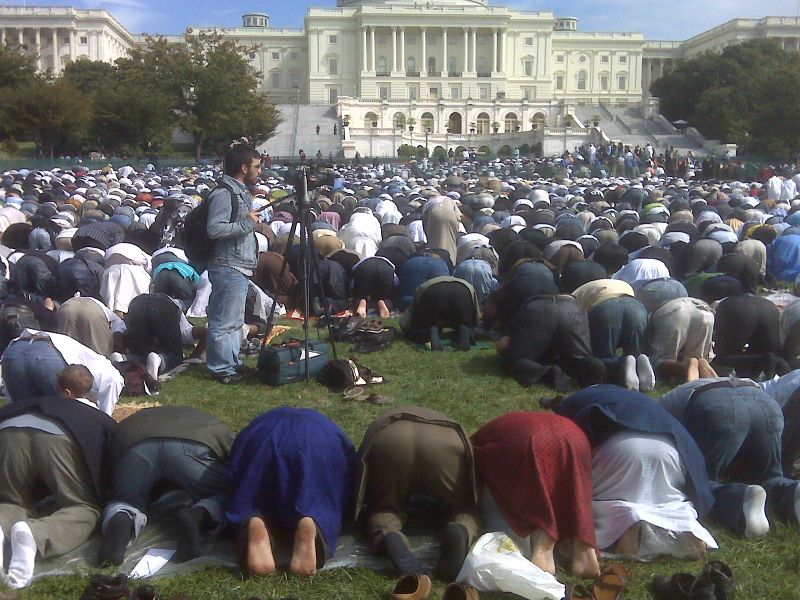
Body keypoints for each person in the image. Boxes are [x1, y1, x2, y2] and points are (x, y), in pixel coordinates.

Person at [0, 366, 116, 588]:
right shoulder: (97, 416)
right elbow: (111, 456)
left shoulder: (36, 400)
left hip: (9, 429)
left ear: (60, 387)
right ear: (90, 391)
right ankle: (35, 535)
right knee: (82, 507)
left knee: (10, 500)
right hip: (59, 437)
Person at [658, 378, 800, 538]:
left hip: (717, 408)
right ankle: (791, 492)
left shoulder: (660, 405)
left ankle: (740, 499)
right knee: (769, 475)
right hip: (765, 404)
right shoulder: (686, 390)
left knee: (698, 483)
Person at [227, 408, 356, 577]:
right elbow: (347, 475)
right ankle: (314, 522)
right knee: (323, 503)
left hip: (259, 440)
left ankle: (253, 520)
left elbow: (234, 470)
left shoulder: (259, 423)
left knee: (249, 498)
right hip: (317, 443)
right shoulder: (329, 427)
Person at [354, 406, 479, 581]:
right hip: (444, 439)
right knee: (462, 507)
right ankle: (461, 529)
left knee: (384, 509)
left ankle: (389, 535)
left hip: (390, 437)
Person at [99, 406, 233, 566]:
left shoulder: (136, 419)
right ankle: (199, 514)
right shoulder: (208, 420)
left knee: (126, 499)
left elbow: (113, 455)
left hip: (136, 445)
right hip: (192, 445)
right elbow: (230, 453)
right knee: (227, 493)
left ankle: (121, 516)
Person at [472, 412, 600, 578]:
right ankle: (584, 551)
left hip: (520, 439)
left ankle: (542, 547)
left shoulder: (478, 438)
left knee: (534, 488)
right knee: (573, 485)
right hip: (575, 436)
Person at [205, 144, 261, 384]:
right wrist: (247, 224)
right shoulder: (224, 193)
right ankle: (222, 369)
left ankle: (232, 363)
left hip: (238, 264)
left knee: (235, 321)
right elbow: (214, 229)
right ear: (244, 167)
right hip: (228, 264)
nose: (259, 171)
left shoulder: (239, 192)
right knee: (224, 321)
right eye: (257, 167)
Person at [2, 329, 124, 415]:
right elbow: (113, 382)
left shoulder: (94, 362)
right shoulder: (113, 374)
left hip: (14, 349)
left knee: (22, 415)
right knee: (62, 417)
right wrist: (104, 418)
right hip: (47, 352)